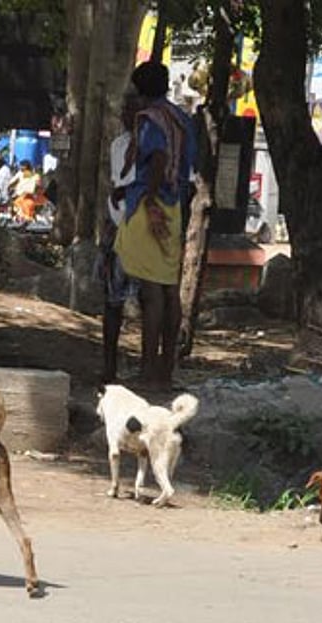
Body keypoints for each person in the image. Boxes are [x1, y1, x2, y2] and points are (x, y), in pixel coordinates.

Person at [113, 61, 198, 389]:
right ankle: (166, 369)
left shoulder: (150, 119)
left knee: (151, 292)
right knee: (169, 289)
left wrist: (148, 198)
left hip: (152, 205)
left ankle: (148, 370)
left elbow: (159, 158)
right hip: (175, 204)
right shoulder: (181, 118)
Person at [96, 89, 141, 383]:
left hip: (143, 228)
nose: (126, 114)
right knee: (112, 301)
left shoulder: (152, 146)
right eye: (124, 108)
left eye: (132, 109)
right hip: (117, 227)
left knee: (148, 299)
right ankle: (109, 367)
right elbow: (117, 183)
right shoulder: (118, 144)